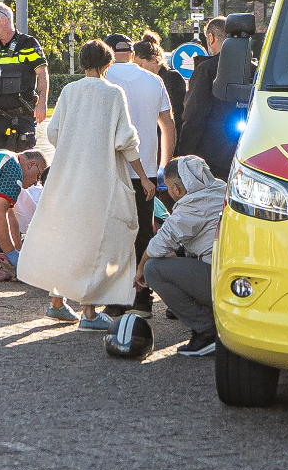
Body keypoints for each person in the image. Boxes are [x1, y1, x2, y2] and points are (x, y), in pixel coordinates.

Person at [17, 39, 154, 330]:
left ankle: (57, 303)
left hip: (66, 175)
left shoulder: (69, 91)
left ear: (82, 63)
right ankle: (89, 312)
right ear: (108, 64)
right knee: (96, 242)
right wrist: (143, 176)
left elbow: (54, 132)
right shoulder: (113, 93)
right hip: (99, 179)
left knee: (66, 238)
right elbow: (126, 140)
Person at [102, 31, 176, 314]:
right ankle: (142, 299)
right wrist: (164, 167)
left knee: (113, 234)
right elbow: (167, 124)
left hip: (111, 170)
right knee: (143, 233)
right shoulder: (154, 80)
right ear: (132, 53)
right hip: (146, 171)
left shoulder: (103, 79)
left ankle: (115, 300)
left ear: (108, 53)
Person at [139, 155, 227, 356]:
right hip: (239, 280)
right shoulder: (222, 188)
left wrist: (140, 269)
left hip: (220, 282)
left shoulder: (192, 204)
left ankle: (207, 330)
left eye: (169, 188)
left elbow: (156, 247)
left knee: (153, 269)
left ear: (176, 189)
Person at [0, 2, 49, 153]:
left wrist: (42, 103)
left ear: (4, 20)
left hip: (21, 120)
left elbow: (42, 73)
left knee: (23, 165)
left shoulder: (27, 43)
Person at [180, 17, 244, 176]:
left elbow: (193, 115)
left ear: (211, 37)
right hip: (247, 155)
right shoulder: (253, 68)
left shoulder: (206, 69)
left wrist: (184, 154)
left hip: (212, 159)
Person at [134, 34, 185, 130]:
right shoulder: (144, 80)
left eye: (140, 65)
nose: (138, 70)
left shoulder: (172, 77)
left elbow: (177, 115)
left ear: (153, 59)